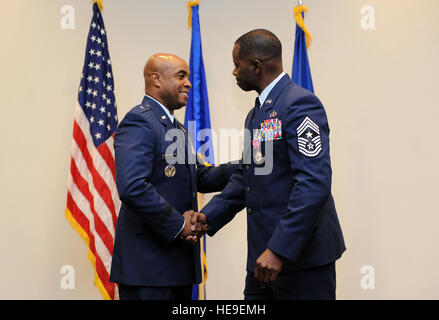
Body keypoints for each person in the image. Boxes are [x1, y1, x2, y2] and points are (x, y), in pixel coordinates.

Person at [198, 29, 346, 300]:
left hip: (300, 261)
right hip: (262, 260)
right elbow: (249, 175)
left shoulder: (299, 104)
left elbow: (314, 184)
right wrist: (207, 217)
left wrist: (279, 249)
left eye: (236, 64)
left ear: (255, 65)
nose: (233, 72)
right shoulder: (257, 114)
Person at [109, 53, 236, 300]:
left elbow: (200, 177)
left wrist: (246, 164)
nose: (189, 83)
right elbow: (133, 186)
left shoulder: (176, 128)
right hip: (148, 269)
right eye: (181, 76)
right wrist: (179, 225)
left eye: (188, 77)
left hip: (177, 267)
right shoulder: (139, 121)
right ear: (156, 79)